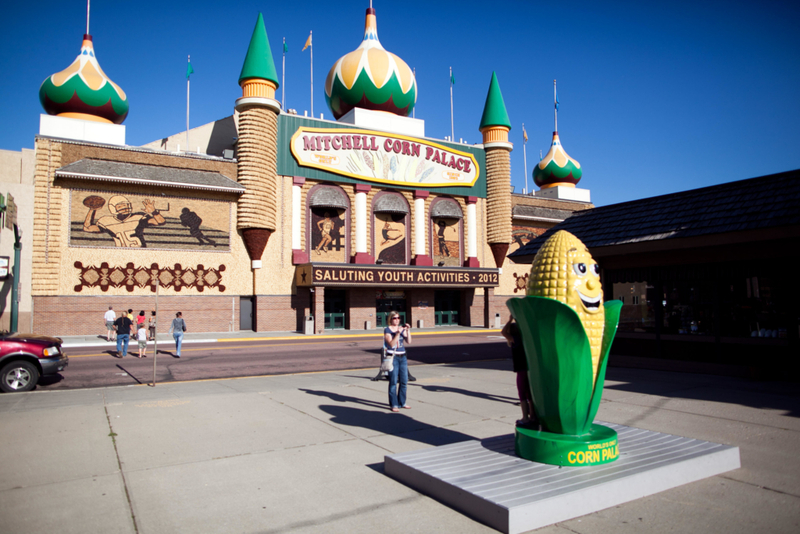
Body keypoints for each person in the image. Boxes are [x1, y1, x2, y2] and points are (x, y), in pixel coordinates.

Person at [502, 316, 537, 427]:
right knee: (529, 393)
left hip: (521, 369)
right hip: (528, 368)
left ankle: (525, 418)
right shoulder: (525, 338)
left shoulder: (515, 339)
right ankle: (532, 416)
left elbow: (503, 332)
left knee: (522, 393)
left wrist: (509, 320)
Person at [384, 312, 412, 412]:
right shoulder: (387, 330)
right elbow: (391, 344)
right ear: (390, 319)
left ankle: (402, 402)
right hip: (393, 357)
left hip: (403, 356)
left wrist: (407, 330)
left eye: (398, 318)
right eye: (394, 318)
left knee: (404, 381)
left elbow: (409, 341)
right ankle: (394, 404)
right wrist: (398, 333)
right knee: (393, 381)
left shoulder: (401, 328)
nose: (396, 320)